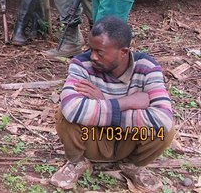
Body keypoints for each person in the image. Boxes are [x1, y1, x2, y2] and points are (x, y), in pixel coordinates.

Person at [50, 16, 174, 191]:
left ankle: (133, 165)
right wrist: (125, 102)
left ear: (123, 52)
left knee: (166, 131)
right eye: (91, 49)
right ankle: (77, 162)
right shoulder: (81, 64)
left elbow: (163, 118)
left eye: (100, 52)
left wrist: (102, 105)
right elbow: (71, 108)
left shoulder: (147, 67)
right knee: (63, 114)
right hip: (92, 138)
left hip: (128, 140)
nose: (93, 56)